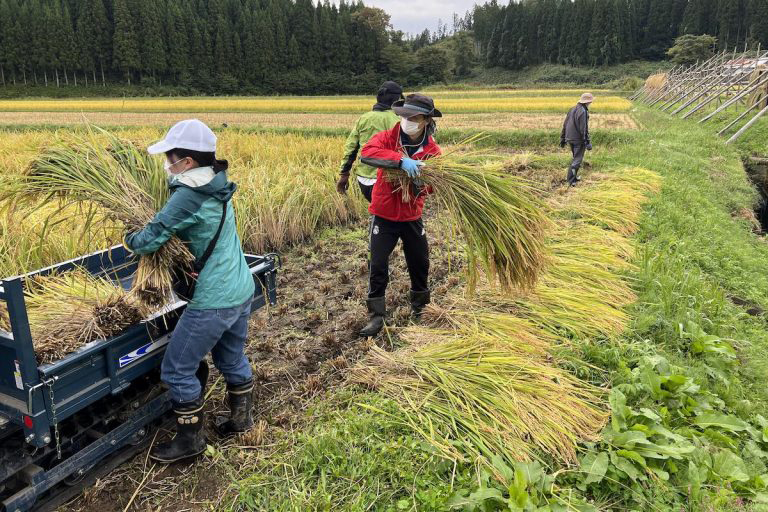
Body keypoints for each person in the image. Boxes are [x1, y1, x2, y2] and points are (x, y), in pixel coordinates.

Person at [123, 119, 256, 464]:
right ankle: (241, 420)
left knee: (177, 368)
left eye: (171, 157)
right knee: (230, 357)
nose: (168, 163)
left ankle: (190, 441)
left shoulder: (188, 195)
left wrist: (129, 234)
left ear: (188, 161)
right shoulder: (216, 182)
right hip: (240, 286)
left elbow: (146, 242)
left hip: (214, 299)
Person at [357, 93, 442, 337]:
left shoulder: (432, 151)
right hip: (384, 214)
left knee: (419, 262)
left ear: (426, 120)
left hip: (411, 215)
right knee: (378, 263)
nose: (407, 120)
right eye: (405, 116)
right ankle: (376, 314)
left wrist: (418, 183)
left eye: (413, 117)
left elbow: (433, 188)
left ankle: (420, 307)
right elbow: (367, 153)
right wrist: (400, 161)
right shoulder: (388, 138)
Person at [337, 81, 404, 202]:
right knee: (388, 215)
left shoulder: (364, 118)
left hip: (364, 180)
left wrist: (344, 174)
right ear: (397, 100)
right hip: (388, 180)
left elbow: (351, 148)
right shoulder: (398, 121)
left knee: (377, 209)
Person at [560, 92, 594, 186]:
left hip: (569, 138)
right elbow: (584, 129)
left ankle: (574, 177)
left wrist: (562, 138)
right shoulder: (583, 111)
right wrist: (587, 142)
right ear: (588, 102)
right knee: (577, 161)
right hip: (578, 139)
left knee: (575, 158)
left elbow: (565, 124)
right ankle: (571, 181)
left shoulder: (572, 109)